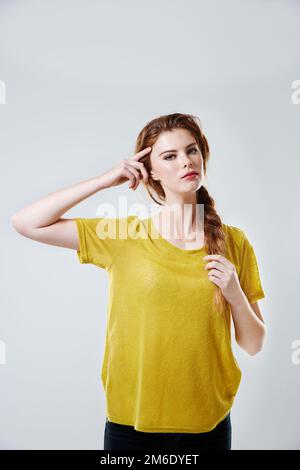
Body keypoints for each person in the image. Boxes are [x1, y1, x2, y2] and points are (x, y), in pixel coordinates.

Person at [11, 112, 266, 451]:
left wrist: (235, 294)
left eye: (191, 151)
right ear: (152, 172)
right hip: (131, 424)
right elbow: (26, 223)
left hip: (208, 425)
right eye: (169, 156)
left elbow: (254, 344)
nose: (186, 162)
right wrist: (104, 180)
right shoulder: (123, 234)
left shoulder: (236, 242)